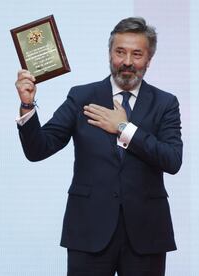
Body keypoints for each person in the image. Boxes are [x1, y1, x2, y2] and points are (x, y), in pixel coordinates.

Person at [15, 17, 183, 276]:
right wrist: (27, 106)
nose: (127, 61)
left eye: (137, 54)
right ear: (109, 54)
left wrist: (124, 128)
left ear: (149, 60)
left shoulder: (165, 103)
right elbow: (38, 149)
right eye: (120, 52)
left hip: (146, 233)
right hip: (88, 231)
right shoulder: (82, 96)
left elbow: (172, 160)